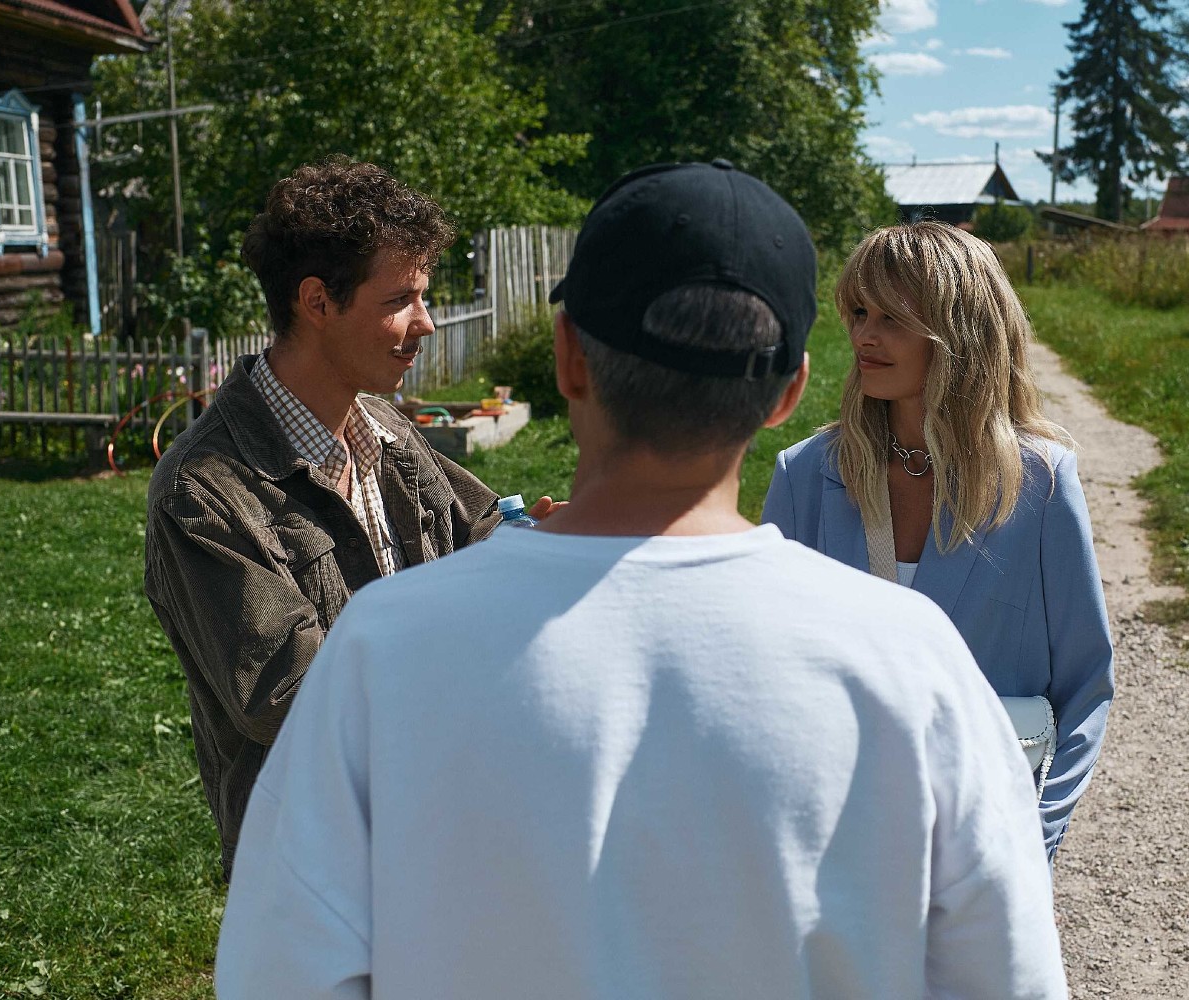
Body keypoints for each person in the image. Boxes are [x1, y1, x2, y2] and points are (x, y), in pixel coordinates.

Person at [215, 161, 1067, 999]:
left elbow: (283, 972)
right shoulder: (914, 661)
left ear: (568, 359)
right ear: (787, 393)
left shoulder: (378, 651)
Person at [144, 158, 553, 881]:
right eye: (400, 299)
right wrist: (475, 633)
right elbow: (289, 696)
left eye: (423, 296)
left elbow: (480, 532)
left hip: (432, 824)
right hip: (316, 865)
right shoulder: (204, 490)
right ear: (317, 301)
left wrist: (544, 546)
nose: (426, 323)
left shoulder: (382, 428)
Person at [762, 220, 1114, 862]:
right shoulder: (805, 476)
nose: (865, 336)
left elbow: (1085, 685)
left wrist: (1030, 844)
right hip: (833, 843)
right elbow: (766, 673)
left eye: (892, 318)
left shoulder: (1040, 483)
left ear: (960, 331)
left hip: (987, 841)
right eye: (859, 313)